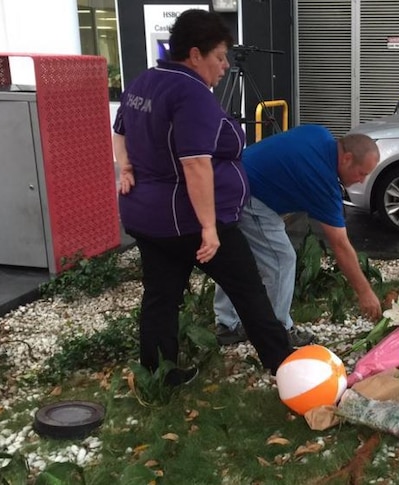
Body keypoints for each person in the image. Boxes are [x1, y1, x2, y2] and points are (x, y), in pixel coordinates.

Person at [112, 9, 292, 385]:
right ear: (195, 55)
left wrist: (125, 167)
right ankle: (286, 366)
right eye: (219, 56)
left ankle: (158, 376)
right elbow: (195, 164)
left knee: (160, 297)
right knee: (249, 291)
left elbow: (120, 129)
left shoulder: (144, 81)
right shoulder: (191, 92)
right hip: (189, 221)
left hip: (147, 217)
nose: (225, 66)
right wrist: (209, 227)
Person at [213, 125, 383, 346]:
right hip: (249, 196)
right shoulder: (323, 181)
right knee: (281, 259)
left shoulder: (319, 134)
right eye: (362, 173)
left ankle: (227, 324)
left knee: (238, 256)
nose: (361, 180)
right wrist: (365, 292)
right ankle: (278, 330)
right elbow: (340, 245)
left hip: (227, 180)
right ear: (347, 158)